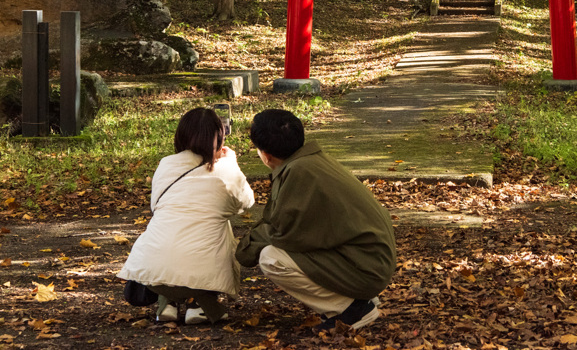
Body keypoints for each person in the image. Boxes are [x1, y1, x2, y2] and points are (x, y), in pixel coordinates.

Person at [236, 109, 397, 331]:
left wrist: (243, 249)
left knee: (271, 258)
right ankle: (355, 300)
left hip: (367, 269)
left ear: (266, 155)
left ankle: (352, 309)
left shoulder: (299, 172)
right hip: (369, 260)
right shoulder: (310, 161)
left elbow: (285, 235)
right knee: (273, 250)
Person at [118, 107, 255, 324]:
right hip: (202, 276)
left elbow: (157, 207)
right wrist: (232, 164)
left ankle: (168, 304)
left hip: (152, 272)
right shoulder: (225, 170)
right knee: (220, 228)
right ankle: (199, 305)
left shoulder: (166, 164)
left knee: (175, 228)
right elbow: (247, 202)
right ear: (219, 139)